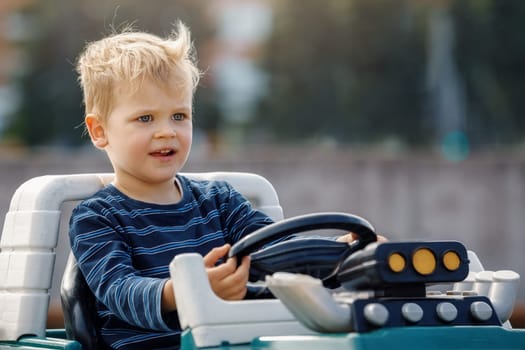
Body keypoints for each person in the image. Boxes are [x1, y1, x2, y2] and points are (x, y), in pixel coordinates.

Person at [70, 21, 360, 349]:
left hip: (235, 341)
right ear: (99, 132)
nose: (167, 131)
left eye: (179, 116)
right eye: (146, 118)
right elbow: (120, 291)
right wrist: (189, 289)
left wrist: (344, 254)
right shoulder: (96, 218)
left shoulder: (220, 202)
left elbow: (281, 257)